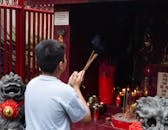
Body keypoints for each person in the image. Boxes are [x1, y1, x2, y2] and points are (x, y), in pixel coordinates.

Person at [24, 39, 91, 130]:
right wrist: (76, 87)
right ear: (61, 65)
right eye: (65, 58)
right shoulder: (65, 91)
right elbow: (86, 118)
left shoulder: (31, 85)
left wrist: (70, 87)